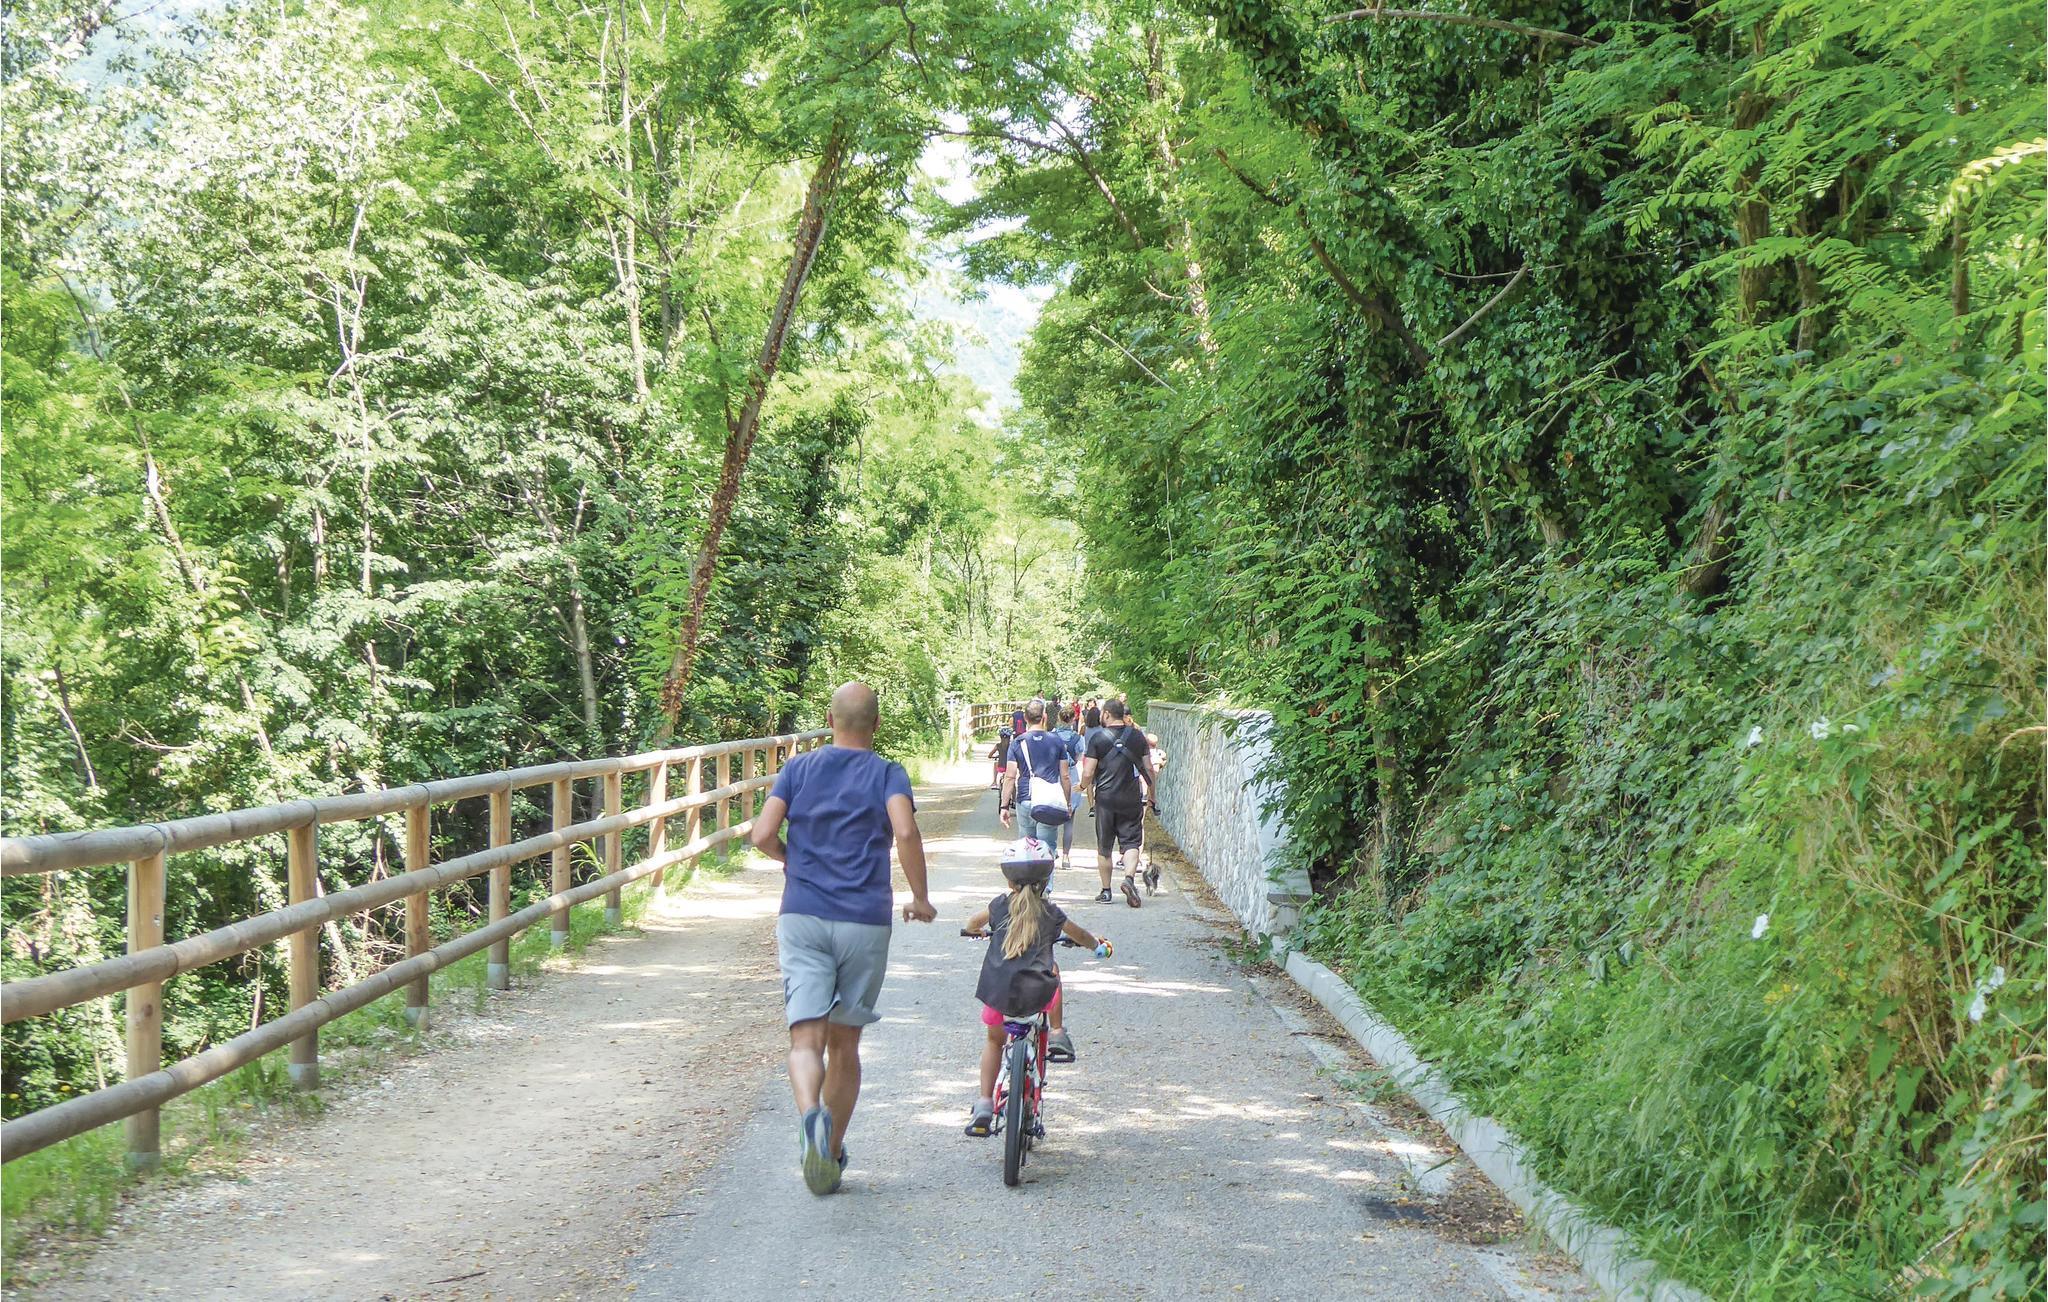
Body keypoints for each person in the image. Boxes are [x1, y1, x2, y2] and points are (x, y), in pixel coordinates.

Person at [751, 682, 937, 1196]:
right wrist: (920, 897)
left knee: (805, 1040)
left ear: (830, 720)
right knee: (845, 1044)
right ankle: (830, 1154)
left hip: (803, 915)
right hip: (864, 919)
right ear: (875, 725)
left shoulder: (798, 769)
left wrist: (791, 859)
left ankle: (810, 1114)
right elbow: (905, 831)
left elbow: (761, 835)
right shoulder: (888, 773)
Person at [963, 840, 1108, 1134]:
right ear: (1045, 878)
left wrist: (977, 931)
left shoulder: (998, 906)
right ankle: (1057, 1032)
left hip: (998, 992)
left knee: (994, 1042)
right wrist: (1097, 946)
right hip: (1037, 992)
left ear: (1009, 879)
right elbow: (1080, 935)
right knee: (1053, 970)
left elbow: (972, 923)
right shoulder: (1050, 913)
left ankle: (984, 1103)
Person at [1081, 697, 1158, 907]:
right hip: (1131, 797)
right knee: (1131, 842)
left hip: (1105, 799)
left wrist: (1082, 786)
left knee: (1104, 847)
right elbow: (1148, 768)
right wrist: (1152, 795)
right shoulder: (1137, 736)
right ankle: (1129, 879)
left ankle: (1106, 891)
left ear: (1106, 714)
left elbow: (1088, 772)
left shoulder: (1097, 738)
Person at [1000, 699, 1072, 851]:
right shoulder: (1056, 741)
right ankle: (1047, 865)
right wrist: (1067, 803)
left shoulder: (1018, 742)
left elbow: (1010, 777)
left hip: (1026, 798)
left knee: (1027, 848)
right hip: (1049, 800)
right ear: (1044, 716)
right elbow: (1065, 776)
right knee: (1047, 848)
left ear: (1025, 718)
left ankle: (1028, 865)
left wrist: (1004, 806)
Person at [1049, 704, 1087, 870]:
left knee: (1050, 818)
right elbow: (1078, 757)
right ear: (1073, 720)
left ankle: (1051, 851)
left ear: (1059, 718)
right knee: (1069, 820)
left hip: (1053, 776)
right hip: (1071, 776)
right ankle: (1066, 857)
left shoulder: (1051, 736)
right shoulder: (1078, 739)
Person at [989, 724, 1014, 791]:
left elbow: (990, 755)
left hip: (1000, 767)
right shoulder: (1012, 746)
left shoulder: (998, 746)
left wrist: (994, 756)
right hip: (1009, 767)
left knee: (996, 763)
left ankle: (994, 781)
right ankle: (1014, 795)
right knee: (1012, 783)